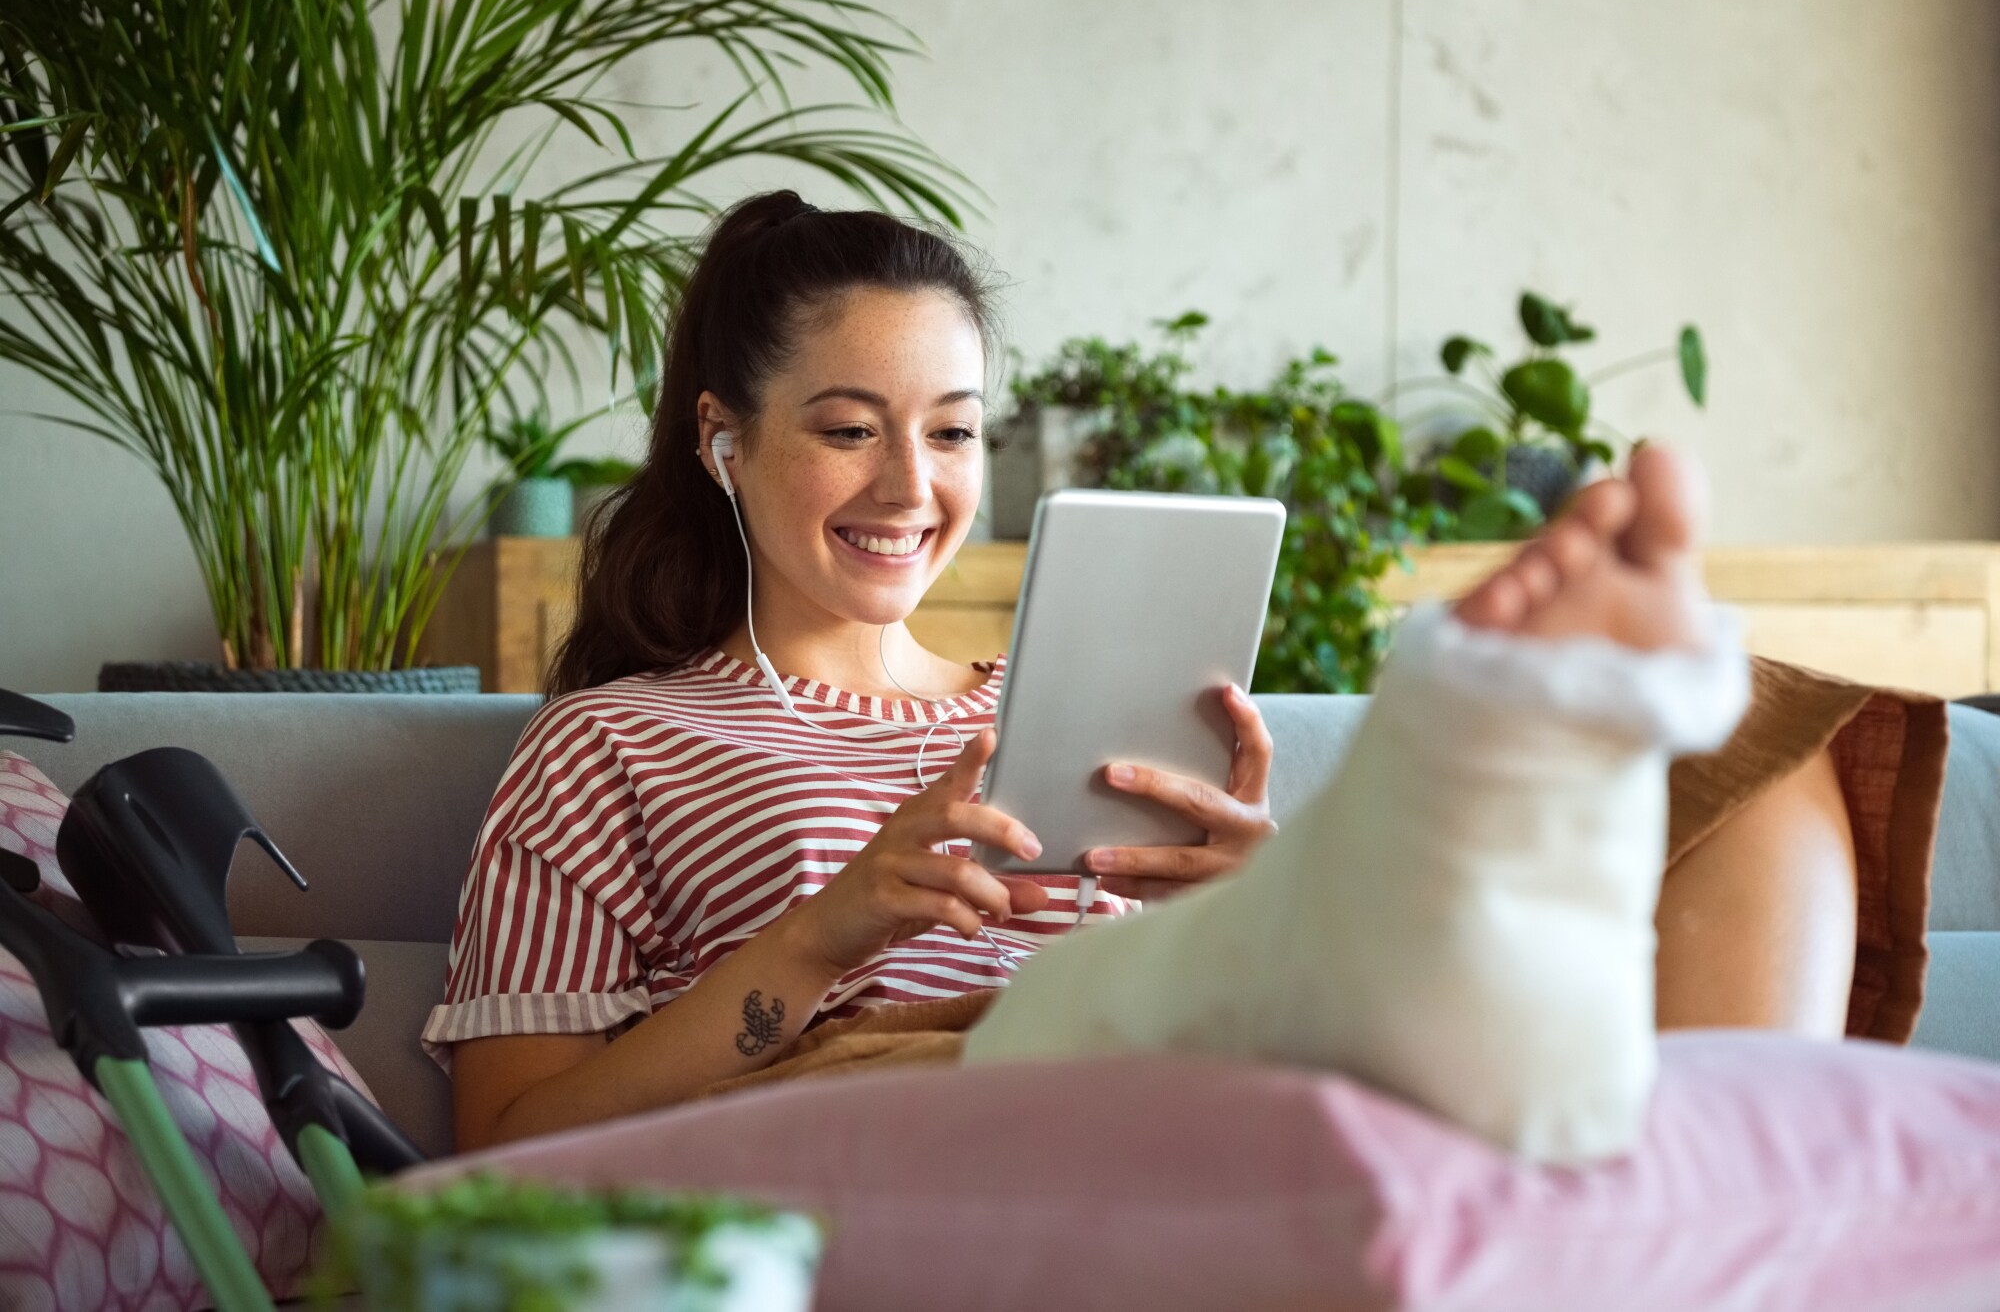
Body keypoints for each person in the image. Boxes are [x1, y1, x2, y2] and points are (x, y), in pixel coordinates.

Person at [424, 192, 1946, 1156]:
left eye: (952, 430)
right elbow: (493, 1142)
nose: (911, 483)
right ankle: (1474, 859)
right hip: (883, 1101)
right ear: (720, 438)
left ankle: (1674, 1177)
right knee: (1196, 1006)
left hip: (1167, 1052)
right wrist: (827, 934)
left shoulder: (1057, 690)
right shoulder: (616, 742)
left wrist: (1242, 893)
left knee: (1756, 729)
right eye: (846, 425)